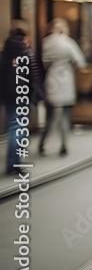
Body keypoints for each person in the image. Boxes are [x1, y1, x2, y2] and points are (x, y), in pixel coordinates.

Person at [1, 20, 45, 174]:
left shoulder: (4, 54)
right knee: (18, 128)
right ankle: (13, 163)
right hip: (22, 95)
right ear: (25, 35)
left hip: (7, 96)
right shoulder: (27, 53)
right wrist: (39, 95)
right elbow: (35, 76)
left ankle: (13, 162)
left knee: (13, 126)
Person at [40, 18, 86, 156]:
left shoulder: (45, 43)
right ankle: (64, 145)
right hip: (66, 81)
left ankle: (43, 142)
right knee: (65, 115)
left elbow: (43, 63)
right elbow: (80, 62)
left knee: (51, 116)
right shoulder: (68, 43)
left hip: (51, 81)